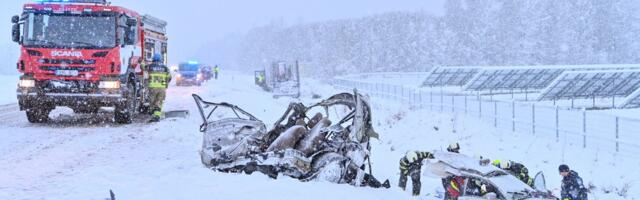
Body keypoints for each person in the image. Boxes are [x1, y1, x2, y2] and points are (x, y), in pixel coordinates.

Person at [146, 53, 171, 122]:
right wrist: (165, 84)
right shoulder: (165, 68)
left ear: (153, 59)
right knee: (159, 102)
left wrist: (140, 62)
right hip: (162, 88)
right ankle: (157, 115)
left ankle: (154, 115)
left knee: (152, 102)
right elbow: (169, 77)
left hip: (153, 88)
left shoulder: (150, 66)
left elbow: (143, 67)